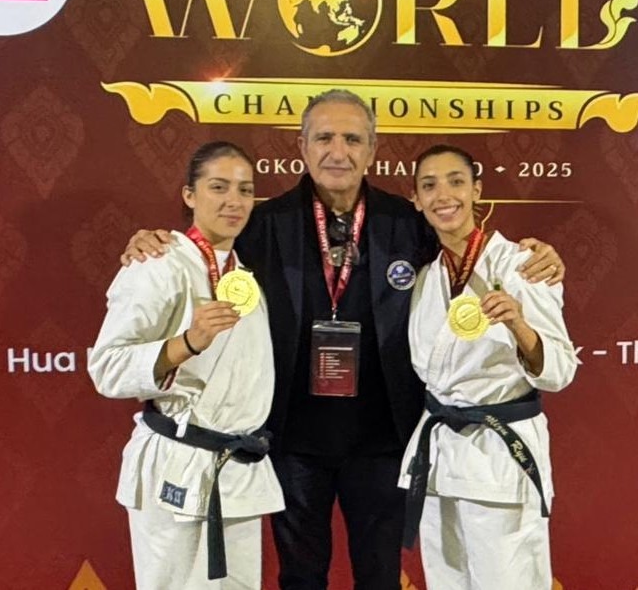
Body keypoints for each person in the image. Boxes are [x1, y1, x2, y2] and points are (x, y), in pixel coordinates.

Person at [121, 90, 566, 590]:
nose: (339, 151)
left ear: (372, 149)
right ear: (302, 146)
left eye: (353, 139)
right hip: (292, 437)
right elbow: (205, 247)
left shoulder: (407, 222)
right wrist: (152, 240)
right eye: (325, 138)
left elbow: (465, 248)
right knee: (301, 574)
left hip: (384, 437)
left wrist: (538, 255)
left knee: (379, 575)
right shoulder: (262, 224)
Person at [88, 141, 283, 590]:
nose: (234, 201)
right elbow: (107, 367)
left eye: (245, 190)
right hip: (178, 464)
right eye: (218, 187)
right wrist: (187, 343)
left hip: (237, 468)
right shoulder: (156, 264)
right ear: (189, 195)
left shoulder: (244, 276)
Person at [399, 144, 577, 590]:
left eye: (456, 182)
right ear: (416, 200)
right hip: (438, 457)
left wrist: (518, 323)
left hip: (499, 457)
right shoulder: (424, 278)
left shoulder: (522, 265)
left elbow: (559, 370)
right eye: (429, 186)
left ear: (477, 190)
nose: (444, 195)